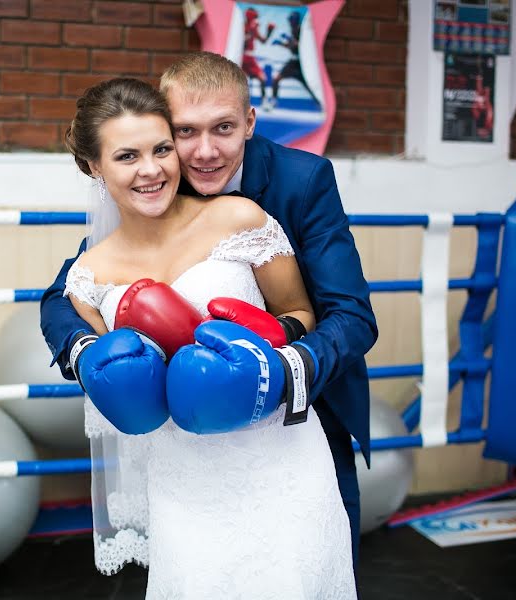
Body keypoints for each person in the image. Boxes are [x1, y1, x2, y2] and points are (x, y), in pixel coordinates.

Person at [41, 52, 377, 570]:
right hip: (187, 456)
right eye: (183, 133)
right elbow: (63, 294)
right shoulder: (135, 208)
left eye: (222, 129)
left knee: (314, 566)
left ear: (249, 123)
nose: (202, 153)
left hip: (300, 418)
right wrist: (88, 353)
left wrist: (278, 359)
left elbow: (350, 314)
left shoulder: (295, 184)